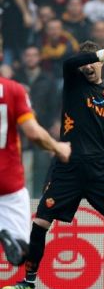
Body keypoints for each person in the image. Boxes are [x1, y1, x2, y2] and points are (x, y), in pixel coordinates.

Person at [2, 41, 104, 289]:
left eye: (93, 62)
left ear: (101, 64)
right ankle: (28, 282)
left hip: (101, 169)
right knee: (41, 221)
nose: (88, 66)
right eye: (85, 62)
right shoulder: (73, 82)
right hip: (68, 168)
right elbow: (68, 62)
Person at [0, 75, 70, 268]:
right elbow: (32, 132)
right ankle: (9, 236)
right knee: (21, 251)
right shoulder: (13, 89)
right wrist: (58, 147)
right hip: (7, 181)